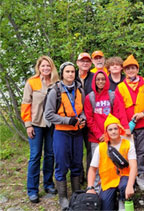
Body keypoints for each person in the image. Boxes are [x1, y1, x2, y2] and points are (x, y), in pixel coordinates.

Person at [44, 62, 86, 209]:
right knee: (61, 165)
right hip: (61, 132)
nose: (70, 74)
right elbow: (48, 114)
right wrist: (68, 120)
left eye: (73, 72)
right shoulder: (55, 91)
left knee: (76, 163)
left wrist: (83, 118)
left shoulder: (79, 89)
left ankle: (76, 194)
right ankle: (63, 198)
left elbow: (82, 109)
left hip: (77, 132)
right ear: (62, 73)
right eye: (67, 72)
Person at [113, 54, 144, 191]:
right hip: (127, 127)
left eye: (133, 68)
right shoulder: (121, 87)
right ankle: (129, 177)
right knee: (129, 152)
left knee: (142, 151)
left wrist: (143, 113)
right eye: (128, 69)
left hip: (143, 125)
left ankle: (140, 176)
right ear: (124, 71)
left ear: (137, 69)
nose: (131, 71)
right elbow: (119, 110)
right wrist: (125, 127)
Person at [21, 56, 59, 203]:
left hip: (52, 125)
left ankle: (48, 184)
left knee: (50, 155)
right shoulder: (32, 82)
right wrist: (28, 124)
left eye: (48, 66)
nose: (46, 68)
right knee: (35, 156)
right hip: (36, 123)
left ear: (52, 67)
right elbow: (26, 104)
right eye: (43, 66)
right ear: (39, 67)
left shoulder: (56, 83)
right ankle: (32, 190)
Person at [87, 114, 137, 211]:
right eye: (110, 129)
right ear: (106, 132)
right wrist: (90, 187)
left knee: (124, 186)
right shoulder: (101, 148)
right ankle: (114, 200)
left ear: (120, 129)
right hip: (108, 181)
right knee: (105, 207)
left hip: (125, 177)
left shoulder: (128, 145)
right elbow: (92, 169)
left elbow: (134, 166)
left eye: (115, 128)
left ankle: (123, 200)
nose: (113, 131)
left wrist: (130, 185)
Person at [83, 70, 113, 192]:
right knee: (95, 163)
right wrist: (99, 134)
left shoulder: (112, 96)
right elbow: (89, 119)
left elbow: (117, 115)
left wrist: (109, 134)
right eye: (98, 79)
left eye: (103, 79)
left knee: (109, 163)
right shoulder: (89, 97)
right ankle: (94, 188)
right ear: (94, 81)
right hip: (95, 137)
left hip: (110, 136)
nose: (100, 81)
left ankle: (108, 187)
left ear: (106, 80)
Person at [76, 52, 94, 186]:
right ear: (78, 63)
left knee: (90, 149)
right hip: (75, 119)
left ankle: (90, 176)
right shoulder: (70, 75)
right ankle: (78, 176)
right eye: (82, 61)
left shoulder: (94, 77)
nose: (85, 63)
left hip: (90, 118)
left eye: (88, 61)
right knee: (76, 150)